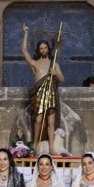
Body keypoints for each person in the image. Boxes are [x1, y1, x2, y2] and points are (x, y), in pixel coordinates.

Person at [22, 23, 65, 151]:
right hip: (39, 93)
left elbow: (62, 79)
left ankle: (51, 147)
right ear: (38, 50)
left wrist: (55, 73)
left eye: (45, 48)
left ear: (49, 49)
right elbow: (24, 51)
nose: (44, 50)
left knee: (51, 122)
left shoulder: (54, 63)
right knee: (38, 120)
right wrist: (25, 34)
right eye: (41, 48)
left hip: (51, 93)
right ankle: (35, 144)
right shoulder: (35, 64)